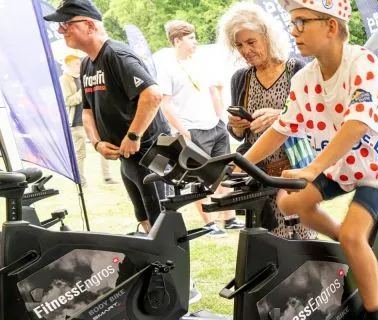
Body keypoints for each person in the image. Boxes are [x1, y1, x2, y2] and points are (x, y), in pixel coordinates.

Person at [246, 0, 378, 318]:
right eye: (291, 23)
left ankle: (377, 313)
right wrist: (236, 163)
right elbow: (280, 129)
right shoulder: (303, 79)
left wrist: (313, 167)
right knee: (289, 204)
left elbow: (356, 125)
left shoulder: (362, 64)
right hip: (341, 164)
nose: (292, 31)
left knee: (354, 235)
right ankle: (353, 250)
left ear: (331, 26)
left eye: (300, 22)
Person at [45, 0, 169, 232]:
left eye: (66, 24)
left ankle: (173, 268)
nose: (61, 30)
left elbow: (152, 94)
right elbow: (88, 110)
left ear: (90, 25)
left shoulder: (116, 55)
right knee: (143, 217)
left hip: (150, 154)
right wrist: (97, 142)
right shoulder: (86, 64)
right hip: (128, 159)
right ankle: (157, 265)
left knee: (162, 224)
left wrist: (133, 135)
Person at [218, 2, 316, 240]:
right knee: (266, 241)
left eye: (251, 42)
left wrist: (280, 116)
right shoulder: (241, 78)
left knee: (302, 237)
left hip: (294, 171)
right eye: (239, 45)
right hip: (258, 175)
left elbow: (314, 118)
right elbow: (239, 134)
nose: (245, 50)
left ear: (268, 37)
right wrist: (236, 126)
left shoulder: (297, 69)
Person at [157, 20, 243, 236]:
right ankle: (209, 223)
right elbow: (164, 104)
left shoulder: (201, 62)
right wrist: (182, 130)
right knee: (200, 178)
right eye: (191, 38)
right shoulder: (168, 69)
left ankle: (229, 218)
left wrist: (220, 118)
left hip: (215, 126)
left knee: (224, 173)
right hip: (192, 130)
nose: (195, 42)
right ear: (177, 41)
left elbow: (214, 90)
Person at [58, 52, 119, 187]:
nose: (79, 66)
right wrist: (84, 91)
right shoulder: (64, 79)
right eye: (76, 64)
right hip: (77, 122)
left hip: (93, 119)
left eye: (79, 63)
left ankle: (107, 177)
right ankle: (81, 181)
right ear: (69, 65)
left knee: (104, 145)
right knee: (80, 153)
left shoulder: (84, 76)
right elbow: (68, 100)